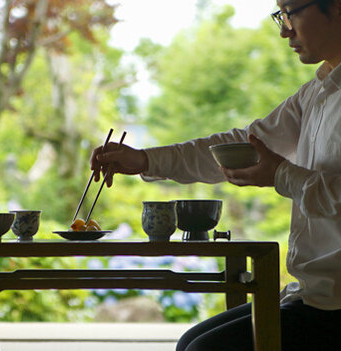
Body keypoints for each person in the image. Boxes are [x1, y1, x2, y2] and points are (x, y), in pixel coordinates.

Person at [90, 0, 341, 350]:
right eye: (279, 16)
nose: (284, 29)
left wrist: (282, 175)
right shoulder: (317, 92)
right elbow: (241, 145)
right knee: (191, 340)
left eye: (290, 12)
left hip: (335, 305)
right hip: (312, 293)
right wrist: (145, 160)